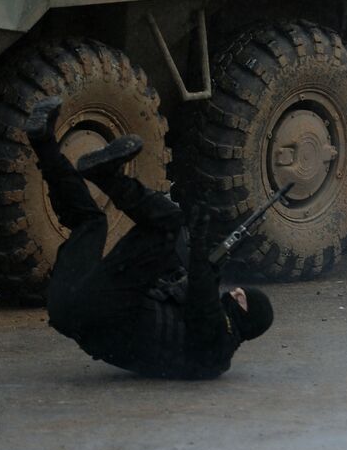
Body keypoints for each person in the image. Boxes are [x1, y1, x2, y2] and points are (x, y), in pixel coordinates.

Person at [27, 97, 274, 380]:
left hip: (102, 310)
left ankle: (109, 179)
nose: (237, 292)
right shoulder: (199, 332)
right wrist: (199, 253)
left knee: (169, 223)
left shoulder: (217, 351)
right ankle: (43, 143)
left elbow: (202, 301)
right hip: (69, 310)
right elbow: (183, 282)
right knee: (89, 222)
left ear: (246, 319)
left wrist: (201, 245)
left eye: (243, 298)